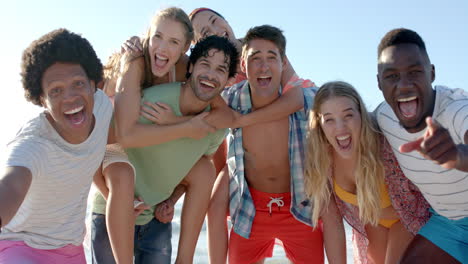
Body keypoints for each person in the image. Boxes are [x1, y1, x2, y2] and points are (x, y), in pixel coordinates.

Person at [91, 35, 239, 264]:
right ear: (190, 67)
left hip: (155, 220)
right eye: (205, 64)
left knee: (205, 169)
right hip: (113, 212)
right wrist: (111, 194)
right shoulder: (154, 102)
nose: (211, 75)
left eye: (220, 70)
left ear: (228, 80)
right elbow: (102, 145)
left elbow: (190, 168)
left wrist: (171, 199)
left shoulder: (217, 127)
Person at [221, 25, 346, 264]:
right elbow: (199, 107)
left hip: (298, 208)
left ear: (283, 63)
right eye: (255, 58)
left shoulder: (308, 101)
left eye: (271, 57)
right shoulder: (232, 100)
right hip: (251, 210)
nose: (264, 66)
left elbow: (341, 109)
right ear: (244, 66)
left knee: (328, 202)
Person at [0, 28, 112, 263]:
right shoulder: (32, 144)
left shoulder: (102, 107)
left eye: (78, 84)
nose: (70, 97)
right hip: (19, 246)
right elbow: (10, 187)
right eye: (56, 91)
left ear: (94, 84)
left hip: (71, 249)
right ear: (42, 99)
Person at [305, 81, 430, 263]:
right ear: (319, 123)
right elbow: (332, 224)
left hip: (408, 220)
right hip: (372, 227)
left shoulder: (384, 145)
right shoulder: (322, 160)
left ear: (361, 114)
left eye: (348, 115)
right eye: (329, 119)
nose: (340, 128)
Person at [375, 28, 468, 263]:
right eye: (392, 76)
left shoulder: (457, 109)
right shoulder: (384, 116)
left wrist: (458, 156)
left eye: (415, 72)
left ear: (432, 73)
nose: (404, 85)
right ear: (379, 82)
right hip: (448, 223)